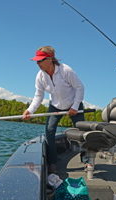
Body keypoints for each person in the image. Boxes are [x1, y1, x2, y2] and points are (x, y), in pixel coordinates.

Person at [22, 46, 85, 174]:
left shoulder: (66, 70)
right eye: (37, 60)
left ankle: (86, 159)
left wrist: (74, 106)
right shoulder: (40, 76)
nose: (37, 63)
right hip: (55, 105)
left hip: (74, 104)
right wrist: (30, 110)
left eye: (40, 60)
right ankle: (52, 163)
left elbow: (80, 88)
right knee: (49, 132)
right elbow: (39, 96)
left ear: (49, 59)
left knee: (82, 132)